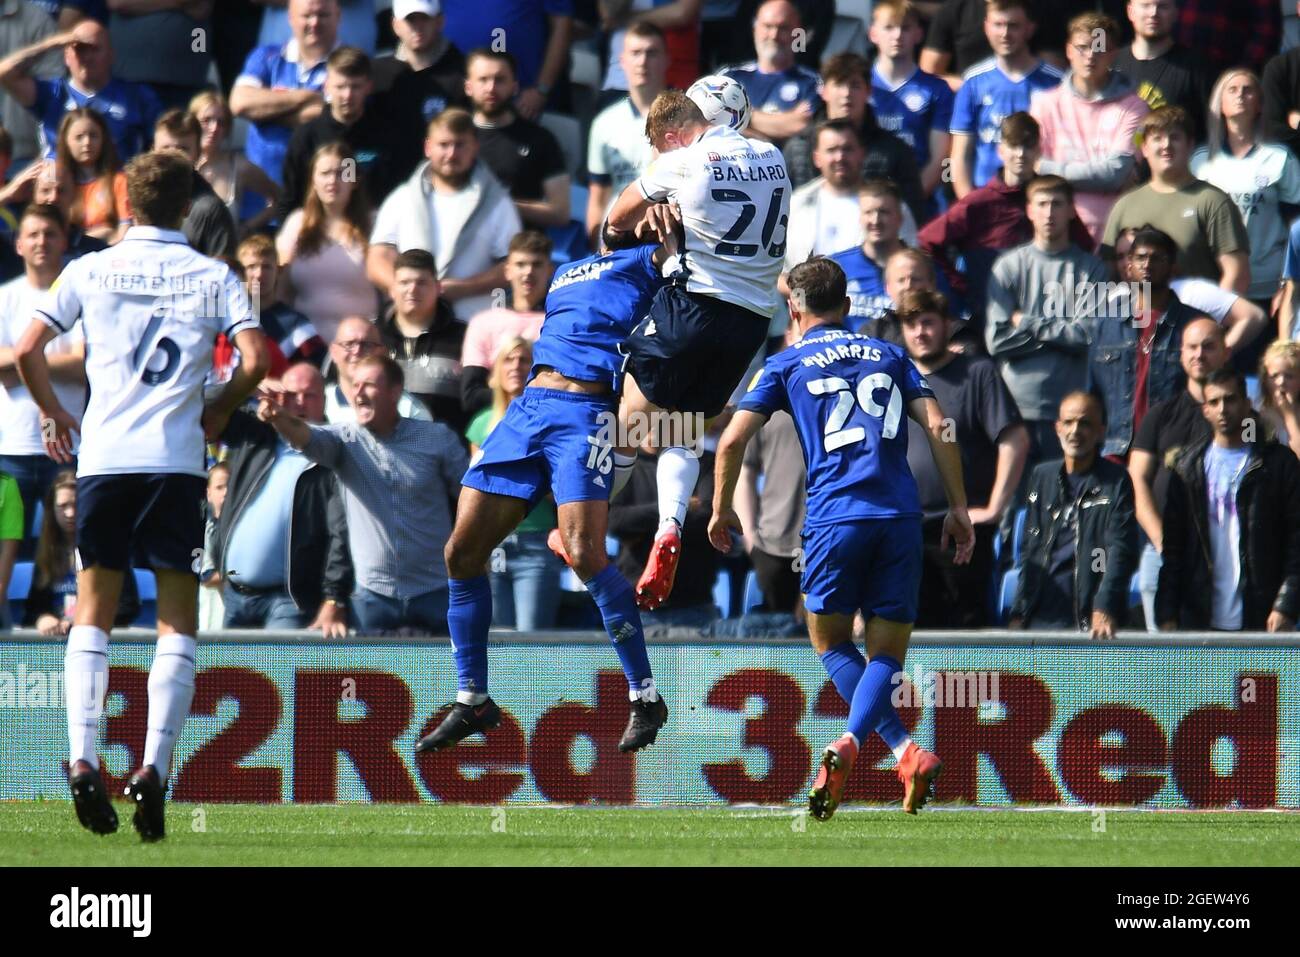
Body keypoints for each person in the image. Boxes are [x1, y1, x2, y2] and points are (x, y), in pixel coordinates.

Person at [14, 150, 269, 841]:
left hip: (104, 458)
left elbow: (27, 347)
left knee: (90, 613)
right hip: (175, 463)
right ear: (188, 205)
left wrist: (54, 412)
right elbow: (258, 358)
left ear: (124, 198)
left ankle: (83, 757)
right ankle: (154, 767)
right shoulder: (213, 273)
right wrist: (219, 404)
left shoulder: (91, 267)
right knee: (176, 621)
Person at [709, 257, 975, 821]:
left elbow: (731, 442)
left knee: (830, 642)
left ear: (793, 309)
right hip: (900, 518)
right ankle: (904, 751)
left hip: (834, 518)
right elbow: (940, 426)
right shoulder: (892, 354)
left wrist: (721, 508)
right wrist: (957, 507)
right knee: (886, 652)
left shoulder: (784, 364)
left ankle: (854, 742)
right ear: (848, 308)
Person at [426, 213, 676, 756]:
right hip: (529, 407)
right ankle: (473, 698)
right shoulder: (571, 268)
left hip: (587, 411)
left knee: (586, 553)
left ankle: (644, 695)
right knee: (461, 553)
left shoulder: (654, 262)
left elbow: (689, 252)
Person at [606, 89, 791, 610]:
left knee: (628, 424)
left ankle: (589, 529)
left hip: (693, 308)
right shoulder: (773, 156)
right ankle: (670, 526)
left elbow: (615, 220)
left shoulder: (685, 160)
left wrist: (648, 216)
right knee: (682, 427)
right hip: (750, 323)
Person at [258, 354, 467, 635]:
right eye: (354, 385)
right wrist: (279, 418)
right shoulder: (344, 440)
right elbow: (304, 435)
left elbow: (469, 496)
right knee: (377, 680)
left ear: (394, 392)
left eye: (368, 384)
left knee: (443, 678)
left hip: (436, 591)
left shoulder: (437, 438)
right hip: (373, 598)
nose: (357, 392)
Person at [899, 288, 1028, 628]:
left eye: (927, 323)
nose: (920, 333)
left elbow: (1015, 438)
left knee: (963, 634)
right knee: (909, 632)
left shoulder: (977, 373)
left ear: (946, 325)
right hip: (906, 528)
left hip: (961, 529)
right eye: (910, 325)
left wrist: (996, 508)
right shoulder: (894, 379)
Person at [214, 362, 351, 636]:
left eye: (309, 395)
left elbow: (342, 534)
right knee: (228, 678)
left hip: (289, 601)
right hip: (233, 596)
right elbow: (199, 405)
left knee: (275, 678)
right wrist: (246, 389)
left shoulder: (334, 452)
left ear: (323, 400)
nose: (299, 402)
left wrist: (333, 597)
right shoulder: (254, 436)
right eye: (291, 394)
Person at [1157, 368, 1300, 631]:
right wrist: (1167, 613)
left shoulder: (1279, 464)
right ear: (1205, 410)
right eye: (1214, 402)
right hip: (1200, 620)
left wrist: (1286, 605)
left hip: (1262, 620)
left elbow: (1297, 541)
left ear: (1247, 404)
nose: (1223, 408)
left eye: (1230, 399)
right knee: (1201, 676)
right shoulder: (1186, 469)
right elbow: (1174, 550)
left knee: (1259, 676)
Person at [986, 175, 1106, 467]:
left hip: (1068, 412)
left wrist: (1027, 323)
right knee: (1012, 507)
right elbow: (997, 341)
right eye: (1042, 204)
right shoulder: (1008, 267)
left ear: (1071, 210)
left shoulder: (1091, 269)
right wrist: (1061, 338)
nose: (1049, 212)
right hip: (1014, 408)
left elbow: (1089, 337)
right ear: (1029, 210)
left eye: (1057, 204)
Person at [367, 108, 521, 322]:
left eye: (460, 145)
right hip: (412, 326)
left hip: (471, 324)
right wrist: (408, 289)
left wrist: (463, 288)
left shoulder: (497, 202)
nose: (451, 154)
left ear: (475, 147)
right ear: (428, 147)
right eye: (444, 145)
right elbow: (377, 257)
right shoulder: (402, 198)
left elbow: (513, 265)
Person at [1009, 391, 1139, 633]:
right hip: (1041, 614)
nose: (1075, 431)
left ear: (1101, 431)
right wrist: (1019, 611)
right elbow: (1031, 551)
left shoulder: (1116, 480)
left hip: (1090, 618)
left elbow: (1120, 549)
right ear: (1057, 427)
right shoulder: (1041, 476)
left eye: (1085, 423)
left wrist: (1104, 606)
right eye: (1068, 422)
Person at [1128, 317, 1230, 629]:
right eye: (1192, 347)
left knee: (1225, 666)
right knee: (1165, 668)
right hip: (1162, 553)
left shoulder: (1243, 417)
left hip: (1226, 554)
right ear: (1181, 353)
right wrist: (1163, 541)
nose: (1200, 354)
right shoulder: (1160, 415)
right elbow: (1137, 479)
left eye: (1209, 347)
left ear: (1226, 352)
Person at [0, 204, 84, 556]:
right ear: (18, 244)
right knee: (4, 560)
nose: (41, 242)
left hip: (67, 449)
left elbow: (83, 365)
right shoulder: (5, 298)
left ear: (64, 240)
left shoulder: (80, 295)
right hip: (13, 449)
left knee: (71, 558)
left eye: (50, 234)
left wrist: (25, 361)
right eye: (32, 234)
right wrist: (47, 362)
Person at [465, 336, 561, 631]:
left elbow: (559, 487)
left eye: (524, 360)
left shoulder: (553, 421)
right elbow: (475, 492)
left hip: (536, 543)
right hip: (492, 543)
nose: (516, 366)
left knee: (532, 643)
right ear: (494, 371)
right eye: (508, 359)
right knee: (495, 641)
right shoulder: (482, 424)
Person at [1029, 12, 1149, 245]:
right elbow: (1031, 171)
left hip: (1113, 236)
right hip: (1055, 235)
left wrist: (1047, 167)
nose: (1091, 56)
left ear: (1113, 54)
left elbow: (1116, 173)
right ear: (1068, 51)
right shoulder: (1043, 104)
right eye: (1082, 47)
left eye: (1100, 48)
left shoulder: (1135, 107)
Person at [1101, 107, 1250, 293]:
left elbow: (1237, 273)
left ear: (1190, 145)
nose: (1166, 145)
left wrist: (1213, 320)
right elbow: (1106, 273)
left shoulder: (1213, 201)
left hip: (1195, 317)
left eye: (1175, 137)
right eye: (1157, 138)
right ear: (1144, 148)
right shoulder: (1124, 206)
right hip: (1135, 318)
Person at [1191, 68, 1300, 316]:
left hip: (1268, 287)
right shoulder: (1200, 161)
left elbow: (1296, 228)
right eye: (1232, 89)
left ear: (1260, 104)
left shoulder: (1279, 159)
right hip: (1213, 284)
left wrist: (1288, 283)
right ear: (1219, 104)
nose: (1240, 95)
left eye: (1248, 90)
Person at [1091, 227, 1206, 458]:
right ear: (1129, 265)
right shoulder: (1106, 324)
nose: (1147, 264)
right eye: (1141, 257)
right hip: (1115, 450)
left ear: (1173, 267)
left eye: (1157, 258)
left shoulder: (1195, 326)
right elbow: (1092, 394)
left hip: (1174, 452)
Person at [783, 52, 925, 224]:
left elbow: (912, 216)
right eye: (839, 84)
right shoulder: (798, 147)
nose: (846, 93)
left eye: (855, 85)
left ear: (868, 91)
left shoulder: (895, 152)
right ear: (823, 91)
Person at [0, 18, 161, 162]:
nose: (87, 57)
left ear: (111, 55)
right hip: (61, 188)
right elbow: (5, 74)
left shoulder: (138, 96)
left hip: (118, 187)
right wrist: (49, 45)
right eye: (80, 49)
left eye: (94, 49)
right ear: (66, 57)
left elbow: (158, 146)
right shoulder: (51, 93)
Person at [948, 0, 1063, 198]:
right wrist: (969, 204)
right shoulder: (973, 82)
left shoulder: (1055, 82)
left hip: (1040, 199)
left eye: (1013, 26)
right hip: (986, 197)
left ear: (1029, 29)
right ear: (986, 28)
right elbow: (960, 156)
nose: (1005, 34)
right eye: (998, 25)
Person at [277, 47, 395, 223]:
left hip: (372, 232)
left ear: (369, 87)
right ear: (326, 86)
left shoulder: (385, 134)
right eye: (340, 87)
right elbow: (290, 200)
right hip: (317, 236)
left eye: (355, 87)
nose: (347, 95)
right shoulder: (306, 137)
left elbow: (394, 195)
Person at [230, 0, 340, 188]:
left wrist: (267, 112)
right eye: (306, 16)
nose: (314, 22)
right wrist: (307, 97)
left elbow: (331, 117)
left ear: (338, 16)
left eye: (323, 15)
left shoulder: (349, 65)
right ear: (290, 17)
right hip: (260, 197)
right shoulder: (265, 56)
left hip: (318, 193)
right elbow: (240, 102)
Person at [276, 142, 377, 345]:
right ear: (313, 179)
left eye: (341, 173)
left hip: (361, 345)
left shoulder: (375, 223)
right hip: (306, 344)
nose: (332, 180)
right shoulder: (297, 224)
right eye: (325, 173)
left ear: (354, 179)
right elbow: (281, 289)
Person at [464, 49, 570, 229]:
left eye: (500, 80)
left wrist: (502, 204)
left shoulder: (540, 139)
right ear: (468, 87)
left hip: (520, 247)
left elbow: (560, 213)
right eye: (483, 79)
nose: (491, 88)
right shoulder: (451, 140)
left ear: (515, 86)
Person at [23, 470, 139, 635]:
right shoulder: (47, 554)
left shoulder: (109, 549)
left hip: (98, 638)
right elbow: (33, 608)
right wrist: (42, 618)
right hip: (56, 640)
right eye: (62, 506)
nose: (70, 514)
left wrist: (85, 620)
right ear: (52, 509)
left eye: (76, 505)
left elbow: (128, 606)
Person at [586, 20, 666, 242]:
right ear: (622, 61)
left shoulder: (687, 115)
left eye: (652, 53)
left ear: (667, 59)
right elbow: (598, 196)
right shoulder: (604, 122)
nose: (643, 62)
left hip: (667, 232)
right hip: (617, 236)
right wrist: (596, 247)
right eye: (636, 53)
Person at [868, 0, 954, 205]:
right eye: (889, 27)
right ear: (873, 34)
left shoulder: (937, 90)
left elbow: (940, 161)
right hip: (865, 203)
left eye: (905, 28)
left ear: (918, 34)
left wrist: (905, 205)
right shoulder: (858, 86)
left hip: (919, 204)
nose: (897, 35)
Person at [460, 230, 552, 415]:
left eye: (536, 264)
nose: (528, 272)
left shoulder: (559, 324)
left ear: (550, 269)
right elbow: (471, 395)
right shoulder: (483, 323)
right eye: (520, 264)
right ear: (507, 270)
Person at [375, 0, 468, 183]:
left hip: (446, 185)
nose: (417, 27)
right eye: (410, 20)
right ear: (395, 25)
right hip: (390, 186)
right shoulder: (378, 73)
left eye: (424, 19)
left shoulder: (463, 73)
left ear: (440, 22)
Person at [377, 248, 466, 431]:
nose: (412, 289)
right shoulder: (370, 336)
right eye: (404, 282)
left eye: (421, 282)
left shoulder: (464, 337)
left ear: (438, 287)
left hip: (444, 450)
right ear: (392, 289)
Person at [443, 0, 574, 119]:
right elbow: (427, 19)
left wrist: (542, 89)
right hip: (451, 93)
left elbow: (561, 24)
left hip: (519, 101)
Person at [721, 0, 820, 146]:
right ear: (755, 30)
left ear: (798, 34)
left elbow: (801, 125)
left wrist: (737, 115)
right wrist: (780, 124)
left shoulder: (811, 83)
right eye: (768, 26)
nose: (774, 35)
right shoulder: (730, 77)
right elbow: (713, 123)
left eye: (783, 28)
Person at [1115, 0, 1212, 140]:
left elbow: (1211, 129)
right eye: (1146, 5)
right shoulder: (1110, 64)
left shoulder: (1197, 69)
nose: (1154, 13)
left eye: (1163, 6)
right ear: (1130, 11)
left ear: (1175, 13)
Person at [188, 90, 279, 238]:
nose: (214, 128)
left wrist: (247, 227)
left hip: (226, 255)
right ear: (192, 122)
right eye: (206, 120)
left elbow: (279, 198)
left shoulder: (240, 167)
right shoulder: (182, 165)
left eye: (221, 122)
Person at [150, 108, 238, 261]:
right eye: (165, 148)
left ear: (198, 153)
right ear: (152, 150)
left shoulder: (210, 210)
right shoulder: (141, 198)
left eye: (182, 149)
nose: (173, 156)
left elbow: (225, 274)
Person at [233, 234, 326, 373]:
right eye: (251, 267)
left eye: (266, 267)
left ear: (279, 271)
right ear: (238, 272)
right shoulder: (226, 322)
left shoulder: (299, 327)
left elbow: (313, 377)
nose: (259, 274)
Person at [828, 179, 908, 333]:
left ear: (900, 218)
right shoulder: (836, 268)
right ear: (860, 217)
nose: (875, 220)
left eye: (884, 212)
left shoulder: (919, 269)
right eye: (868, 212)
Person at [105, 0, 212, 112]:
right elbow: (118, 3)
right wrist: (178, 3)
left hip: (187, 82)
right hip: (131, 79)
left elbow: (202, 8)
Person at [324, 316, 432, 423]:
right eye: (349, 344)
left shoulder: (410, 410)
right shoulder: (316, 403)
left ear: (383, 354)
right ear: (334, 352)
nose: (357, 351)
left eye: (367, 345)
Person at [1258, 339, 1300, 459]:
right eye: (1274, 376)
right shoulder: (1253, 414)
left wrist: (1289, 415)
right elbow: (1248, 454)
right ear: (1265, 379)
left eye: (1289, 376)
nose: (1281, 382)